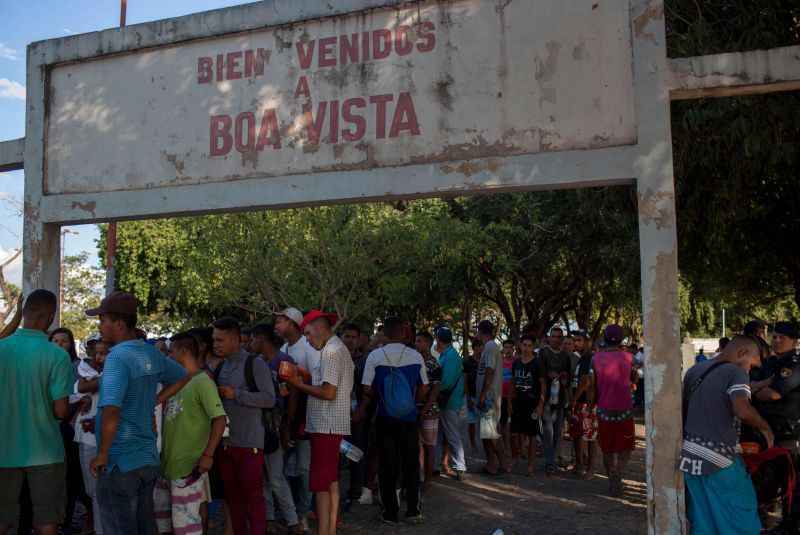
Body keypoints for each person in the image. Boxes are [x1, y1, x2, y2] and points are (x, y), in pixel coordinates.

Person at [85, 291, 188, 535]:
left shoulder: (117, 358)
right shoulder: (149, 352)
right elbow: (183, 376)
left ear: (119, 324)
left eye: (103, 320)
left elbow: (111, 409)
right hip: (147, 459)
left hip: (120, 461)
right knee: (144, 526)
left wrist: (102, 454)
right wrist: (155, 401)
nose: (100, 325)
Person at [680, 335, 773, 534]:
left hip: (690, 458)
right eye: (752, 365)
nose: (749, 371)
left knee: (704, 521)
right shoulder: (736, 371)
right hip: (720, 461)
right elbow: (742, 408)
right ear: (742, 353)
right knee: (742, 519)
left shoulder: (695, 370)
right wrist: (765, 428)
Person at [0, 290, 74, 535]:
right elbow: (61, 411)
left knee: (3, 519)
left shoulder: (2, 348)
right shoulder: (58, 356)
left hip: (4, 449)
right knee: (46, 520)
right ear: (51, 317)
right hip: (45, 450)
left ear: (24, 313)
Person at [285, 310, 354, 535]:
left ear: (318, 327)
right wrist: (303, 376)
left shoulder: (332, 351)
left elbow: (328, 393)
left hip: (326, 424)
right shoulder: (332, 349)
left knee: (321, 485)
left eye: (306, 333)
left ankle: (324, 531)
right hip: (328, 424)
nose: (305, 338)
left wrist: (297, 383)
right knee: (330, 481)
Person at [358, 316, 428, 525]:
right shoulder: (416, 356)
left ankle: (390, 512)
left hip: (385, 418)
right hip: (409, 419)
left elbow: (366, 388)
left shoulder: (375, 356)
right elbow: (424, 387)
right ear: (403, 332)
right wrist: (411, 403)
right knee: (411, 464)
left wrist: (383, 395)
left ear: (385, 333)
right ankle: (413, 510)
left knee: (387, 465)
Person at [154, 332, 227, 535]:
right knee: (165, 523)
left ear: (183, 351)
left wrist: (208, 455)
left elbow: (219, 419)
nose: (168, 356)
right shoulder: (176, 382)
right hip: (167, 465)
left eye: (171, 352)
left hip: (188, 466)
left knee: (186, 525)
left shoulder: (203, 381)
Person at [212, 316, 275, 535]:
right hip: (226, 443)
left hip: (250, 443)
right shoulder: (221, 366)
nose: (216, 344)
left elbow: (269, 399)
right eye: (214, 340)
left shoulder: (254, 364)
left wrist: (236, 394)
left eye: (220, 340)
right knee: (233, 498)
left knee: (253, 498)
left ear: (234, 339)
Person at [248, 323, 304, 535]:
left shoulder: (284, 362)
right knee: (262, 476)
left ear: (262, 339)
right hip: (258, 426)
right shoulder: (256, 362)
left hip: (276, 425)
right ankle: (269, 517)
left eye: (253, 339)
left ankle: (292, 520)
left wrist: (286, 424)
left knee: (276, 476)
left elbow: (293, 393)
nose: (251, 344)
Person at [752, 321, 800, 532]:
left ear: (794, 341)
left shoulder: (795, 363)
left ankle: (790, 525)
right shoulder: (769, 362)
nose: (777, 341)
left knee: (791, 483)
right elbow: (748, 384)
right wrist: (757, 389)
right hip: (764, 431)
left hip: (788, 433)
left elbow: (774, 393)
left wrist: (755, 391)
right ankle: (766, 522)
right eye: (775, 337)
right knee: (765, 482)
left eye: (783, 338)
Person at [275, 307, 317, 531]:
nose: (276, 325)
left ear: (292, 323)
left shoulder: (308, 349)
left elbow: (314, 384)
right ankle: (290, 511)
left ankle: (303, 514)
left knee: (303, 469)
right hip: (286, 419)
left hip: (306, 418)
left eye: (280, 321)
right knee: (285, 469)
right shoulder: (282, 348)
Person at [49, 327, 93, 535]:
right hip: (51, 428)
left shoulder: (78, 367)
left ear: (71, 344)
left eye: (63, 341)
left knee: (74, 477)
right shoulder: (45, 365)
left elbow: (80, 395)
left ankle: (73, 519)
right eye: (54, 341)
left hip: (72, 428)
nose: (58, 345)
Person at [591, 325, 638, 496]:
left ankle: (612, 475)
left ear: (604, 337)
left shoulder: (595, 359)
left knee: (607, 447)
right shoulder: (630, 357)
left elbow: (592, 385)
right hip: (625, 407)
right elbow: (635, 377)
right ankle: (619, 471)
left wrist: (591, 403)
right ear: (621, 339)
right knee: (625, 446)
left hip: (604, 408)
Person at [73, 337, 110, 535]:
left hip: (109, 440)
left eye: (104, 353)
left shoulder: (115, 373)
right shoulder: (84, 372)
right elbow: (76, 391)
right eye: (97, 352)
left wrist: (89, 386)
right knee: (93, 491)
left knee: (104, 491)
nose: (99, 357)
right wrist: (84, 394)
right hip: (87, 437)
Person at [341, 323, 374, 507]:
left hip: (358, 415)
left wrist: (361, 410)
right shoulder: (334, 357)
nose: (350, 340)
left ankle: (355, 490)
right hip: (337, 413)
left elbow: (368, 390)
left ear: (360, 339)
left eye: (354, 337)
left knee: (357, 452)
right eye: (347, 336)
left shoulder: (365, 360)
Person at [476, 319, 509, 476]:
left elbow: (489, 371)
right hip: (487, 396)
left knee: (491, 432)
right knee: (486, 434)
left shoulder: (490, 347)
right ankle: (491, 464)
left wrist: (483, 395)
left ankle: (503, 464)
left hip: (489, 397)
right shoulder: (489, 347)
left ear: (480, 331)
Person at [510, 335, 545, 476]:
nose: (526, 348)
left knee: (532, 436)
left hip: (532, 404)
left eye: (529, 345)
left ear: (533, 347)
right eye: (524, 345)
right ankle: (515, 458)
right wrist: (509, 402)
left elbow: (543, 385)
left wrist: (541, 404)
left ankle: (530, 465)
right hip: (517, 403)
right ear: (520, 345)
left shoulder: (537, 363)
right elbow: (512, 382)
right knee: (513, 434)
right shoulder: (516, 363)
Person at [539, 326, 572, 475]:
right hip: (545, 398)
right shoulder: (543, 352)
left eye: (559, 337)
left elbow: (570, 376)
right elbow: (538, 373)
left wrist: (565, 378)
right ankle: (550, 462)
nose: (556, 339)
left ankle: (552, 459)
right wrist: (548, 374)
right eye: (554, 336)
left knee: (557, 432)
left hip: (560, 398)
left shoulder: (566, 355)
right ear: (549, 337)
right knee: (548, 431)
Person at [434, 326, 466, 480]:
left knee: (452, 435)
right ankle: (436, 465)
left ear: (438, 340)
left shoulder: (451, 356)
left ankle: (460, 466)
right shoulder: (447, 355)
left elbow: (445, 382)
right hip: (447, 401)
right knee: (441, 435)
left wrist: (433, 389)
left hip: (449, 402)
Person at [415, 331, 441, 491]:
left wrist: (425, 409)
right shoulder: (414, 361)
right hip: (414, 409)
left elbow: (435, 390)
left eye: (420, 341)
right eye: (416, 341)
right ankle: (419, 476)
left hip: (429, 411)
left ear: (428, 344)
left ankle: (428, 480)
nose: (417, 344)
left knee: (429, 446)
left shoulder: (434, 364)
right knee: (417, 446)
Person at [571, 332, 599, 479]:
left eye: (579, 340)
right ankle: (579, 465)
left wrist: (574, 399)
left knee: (589, 436)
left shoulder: (590, 358)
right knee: (577, 435)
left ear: (588, 341)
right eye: (575, 340)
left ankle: (591, 468)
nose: (576, 343)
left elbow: (586, 381)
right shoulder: (581, 358)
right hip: (580, 403)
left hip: (587, 403)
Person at [463, 337, 482, 451]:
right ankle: (473, 443)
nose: (479, 349)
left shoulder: (486, 361)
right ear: (473, 348)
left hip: (484, 397)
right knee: (471, 422)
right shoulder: (467, 361)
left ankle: (488, 444)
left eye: (481, 347)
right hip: (471, 395)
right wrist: (468, 397)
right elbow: (464, 380)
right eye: (477, 347)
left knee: (486, 422)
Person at [500, 339, 516, 458]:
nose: (508, 350)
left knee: (514, 425)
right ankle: (505, 448)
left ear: (513, 349)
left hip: (515, 398)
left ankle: (517, 449)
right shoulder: (499, 362)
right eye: (506, 347)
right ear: (503, 349)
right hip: (501, 398)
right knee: (503, 425)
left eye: (510, 347)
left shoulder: (517, 362)